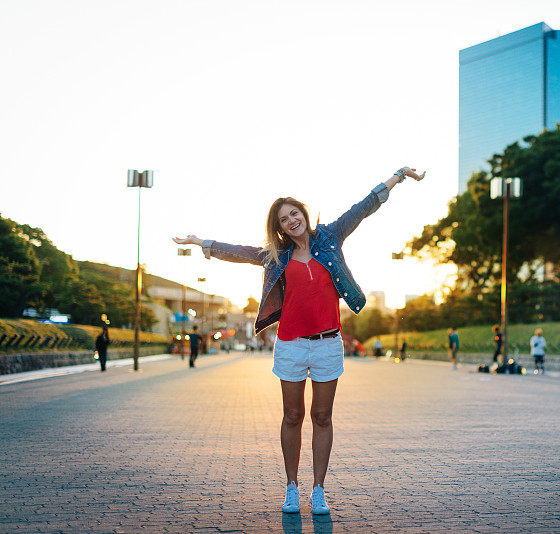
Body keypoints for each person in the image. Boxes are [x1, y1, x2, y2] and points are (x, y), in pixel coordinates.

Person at [173, 166, 425, 516]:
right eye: (283, 219)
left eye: (294, 213)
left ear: (304, 215)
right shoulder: (276, 256)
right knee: (293, 415)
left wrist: (397, 176)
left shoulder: (331, 236)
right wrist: (202, 243)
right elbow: (239, 251)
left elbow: (364, 206)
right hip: (291, 344)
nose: (291, 220)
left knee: (322, 416)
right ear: (279, 228)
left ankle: (318, 489)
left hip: (327, 344)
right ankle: (291, 487)